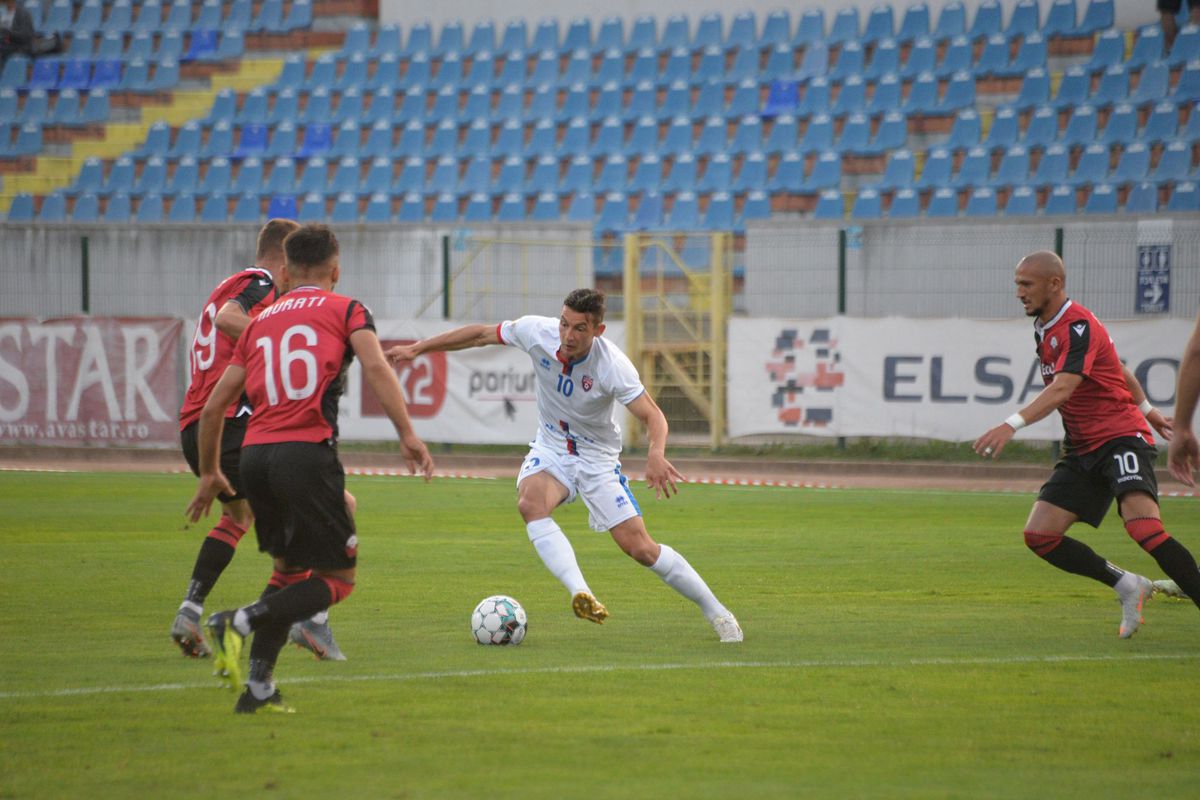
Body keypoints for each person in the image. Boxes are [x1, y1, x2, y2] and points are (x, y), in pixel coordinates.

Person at [386, 288, 743, 642]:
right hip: (552, 447)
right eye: (564, 324)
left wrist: (656, 453)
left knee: (641, 549)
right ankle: (580, 593)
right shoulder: (536, 332)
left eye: (579, 329)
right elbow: (480, 334)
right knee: (530, 503)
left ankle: (718, 613)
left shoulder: (612, 366)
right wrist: (419, 348)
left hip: (597, 460)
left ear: (598, 331)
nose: (568, 335)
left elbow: (654, 416)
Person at [187, 223, 434, 713]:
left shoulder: (259, 322)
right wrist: (407, 433)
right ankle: (236, 621)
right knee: (338, 578)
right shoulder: (347, 309)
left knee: (289, 572)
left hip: (254, 458)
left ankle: (258, 688)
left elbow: (214, 408)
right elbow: (377, 367)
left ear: (285, 271)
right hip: (305, 453)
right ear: (335, 271)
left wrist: (211, 471)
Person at [973, 251, 1200, 637]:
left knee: (1144, 528)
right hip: (1082, 447)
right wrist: (1149, 409)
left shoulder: (1077, 325)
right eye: (1017, 284)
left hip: (1120, 438)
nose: (1019, 292)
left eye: (1026, 284)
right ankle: (1127, 584)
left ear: (1054, 284)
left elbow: (1063, 387)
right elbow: (1117, 367)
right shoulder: (1045, 326)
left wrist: (1012, 424)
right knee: (1041, 536)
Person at [173, 219, 347, 662]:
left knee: (238, 516)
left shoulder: (229, 284)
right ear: (284, 258)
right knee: (332, 507)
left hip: (201, 425)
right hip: (231, 420)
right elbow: (227, 319)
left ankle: (190, 612)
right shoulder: (260, 282)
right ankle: (309, 621)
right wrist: (270, 334)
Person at [0, 0, 33, 65]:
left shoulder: (24, 14)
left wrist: (7, 33)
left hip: (18, 47)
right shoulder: (2, 14)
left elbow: (25, 36)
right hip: (4, 45)